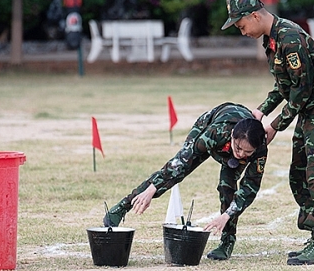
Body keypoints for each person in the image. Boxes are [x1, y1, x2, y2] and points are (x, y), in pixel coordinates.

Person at [221, 0, 314, 266]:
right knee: (298, 173)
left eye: (241, 26)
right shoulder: (273, 40)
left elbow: (300, 91)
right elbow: (285, 85)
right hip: (309, 109)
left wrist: (275, 125)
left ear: (254, 16)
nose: (242, 32)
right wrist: (262, 108)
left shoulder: (289, 38)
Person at [103, 102, 268, 261]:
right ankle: (122, 207)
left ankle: (227, 241)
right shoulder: (213, 134)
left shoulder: (260, 149)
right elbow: (179, 163)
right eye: (238, 148)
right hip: (210, 125)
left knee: (227, 187)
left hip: (231, 146)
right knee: (177, 173)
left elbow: (249, 189)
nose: (240, 154)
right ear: (232, 136)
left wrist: (226, 215)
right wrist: (152, 188)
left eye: (247, 152)